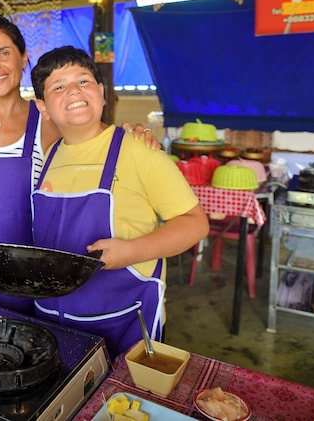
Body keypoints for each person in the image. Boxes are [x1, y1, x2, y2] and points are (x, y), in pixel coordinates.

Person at [0, 12, 159, 313]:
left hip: (17, 278)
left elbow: (95, 143)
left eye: (3, 53)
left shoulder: (45, 120)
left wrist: (133, 133)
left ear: (23, 57)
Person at [30, 45, 208, 357]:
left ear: (101, 93)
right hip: (52, 322)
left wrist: (131, 252)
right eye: (58, 86)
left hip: (125, 322)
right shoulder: (48, 154)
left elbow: (195, 224)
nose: (73, 90)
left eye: (83, 81)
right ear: (42, 106)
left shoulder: (139, 150)